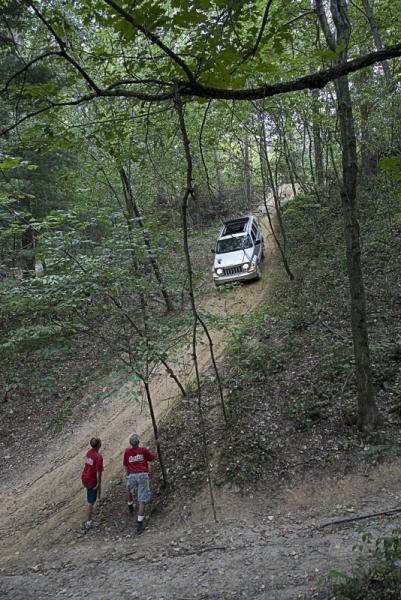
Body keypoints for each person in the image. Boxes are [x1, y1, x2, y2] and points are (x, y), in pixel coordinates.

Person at [123, 432, 156, 534]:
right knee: (142, 500)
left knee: (129, 488)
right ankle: (139, 523)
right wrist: (156, 446)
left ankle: (130, 505)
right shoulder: (143, 450)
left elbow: (125, 464)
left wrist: (127, 474)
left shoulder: (127, 452)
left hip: (132, 475)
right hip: (142, 475)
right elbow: (153, 458)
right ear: (138, 441)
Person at [81, 437, 103, 531]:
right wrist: (99, 483)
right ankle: (88, 522)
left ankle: (89, 520)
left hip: (85, 477)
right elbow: (99, 472)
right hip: (91, 480)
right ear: (99, 445)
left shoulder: (89, 453)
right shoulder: (98, 457)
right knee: (91, 501)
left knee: (90, 499)